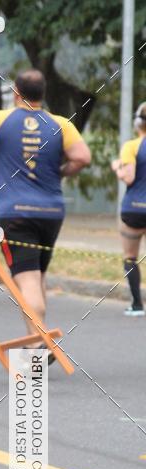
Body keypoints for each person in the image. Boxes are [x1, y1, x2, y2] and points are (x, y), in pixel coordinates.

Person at [0, 70, 91, 346]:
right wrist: (61, 171)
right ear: (42, 94)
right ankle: (37, 338)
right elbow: (83, 157)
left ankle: (38, 342)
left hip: (16, 213)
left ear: (15, 94)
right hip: (51, 212)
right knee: (37, 275)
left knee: (27, 280)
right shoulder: (60, 123)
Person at [111, 102, 146, 316]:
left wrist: (117, 167)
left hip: (133, 209)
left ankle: (136, 305)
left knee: (130, 256)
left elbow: (128, 176)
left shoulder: (131, 146)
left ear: (138, 122)